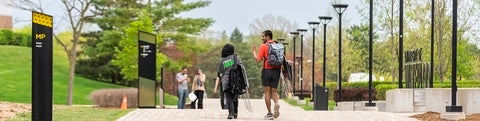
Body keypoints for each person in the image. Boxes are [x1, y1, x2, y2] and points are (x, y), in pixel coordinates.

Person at [251, 30, 281, 120]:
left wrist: (254, 52)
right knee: (274, 91)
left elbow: (257, 60)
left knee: (267, 92)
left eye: (263, 36)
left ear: (268, 37)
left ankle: (269, 113)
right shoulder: (278, 45)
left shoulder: (264, 46)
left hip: (267, 71)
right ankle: (276, 103)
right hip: (276, 71)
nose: (262, 38)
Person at [214, 44, 240, 119]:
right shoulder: (236, 58)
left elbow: (220, 72)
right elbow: (241, 68)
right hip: (236, 81)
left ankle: (230, 113)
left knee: (229, 97)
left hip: (226, 81)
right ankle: (235, 113)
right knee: (235, 97)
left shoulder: (222, 60)